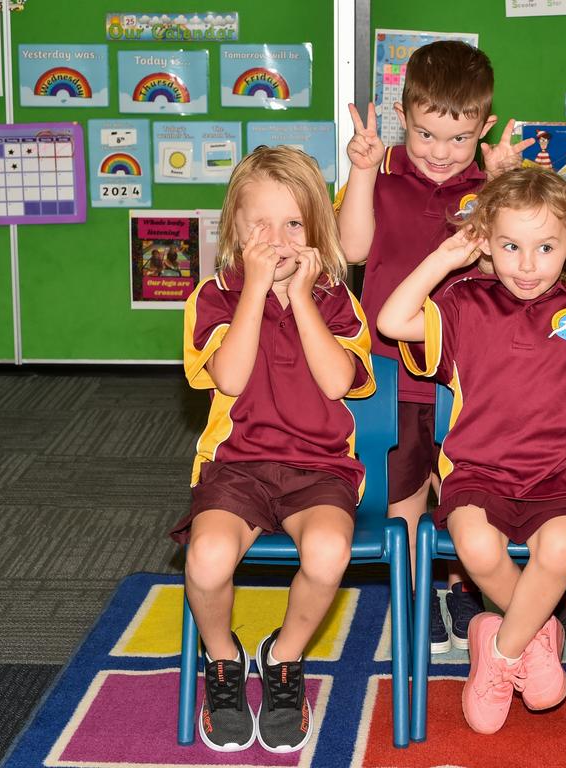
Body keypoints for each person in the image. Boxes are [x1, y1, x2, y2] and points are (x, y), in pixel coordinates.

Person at [378, 166, 566, 734]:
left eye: (545, 247)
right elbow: (391, 319)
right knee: (474, 546)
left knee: (562, 547)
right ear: (486, 242)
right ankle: (540, 634)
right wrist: (444, 260)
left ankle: (498, 649)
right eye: (511, 246)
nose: (526, 264)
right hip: (478, 474)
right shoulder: (463, 304)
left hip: (562, 478)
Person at [337, 41, 566, 651]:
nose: (441, 153)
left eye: (457, 139)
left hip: (476, 372)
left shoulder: (489, 185)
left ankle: (464, 586)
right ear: (404, 117)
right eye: (426, 135)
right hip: (391, 367)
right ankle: (417, 592)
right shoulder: (385, 172)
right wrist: (365, 170)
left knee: (466, 492)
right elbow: (351, 251)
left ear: (482, 127)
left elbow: (527, 253)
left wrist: (501, 180)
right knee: (403, 493)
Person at [170, 146, 374, 754]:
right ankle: (224, 659)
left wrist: (303, 297)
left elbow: (339, 382)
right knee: (206, 560)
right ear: (234, 227)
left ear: (317, 231)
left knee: (329, 551)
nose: (278, 239)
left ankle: (284, 659)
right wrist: (256, 291)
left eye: (294, 224)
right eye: (261, 223)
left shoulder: (336, 296)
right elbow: (229, 377)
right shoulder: (213, 295)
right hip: (237, 466)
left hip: (321, 467)